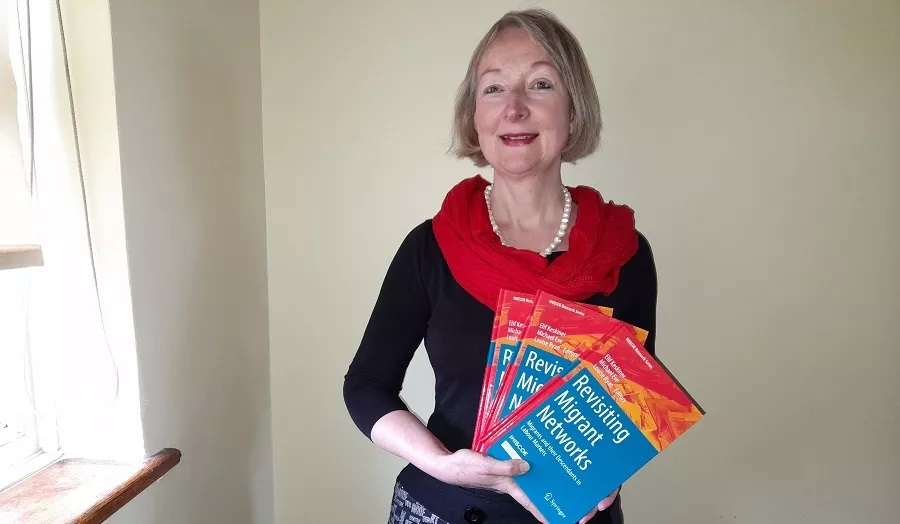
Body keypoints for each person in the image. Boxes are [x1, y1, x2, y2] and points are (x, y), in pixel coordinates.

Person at [343, 8, 657, 524]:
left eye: (539, 84)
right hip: (446, 509)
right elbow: (365, 386)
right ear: (473, 116)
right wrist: (441, 464)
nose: (513, 108)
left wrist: (610, 473)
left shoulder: (625, 252)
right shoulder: (430, 248)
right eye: (493, 89)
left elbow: (635, 403)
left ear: (573, 113)